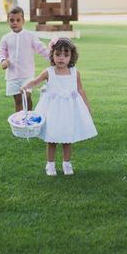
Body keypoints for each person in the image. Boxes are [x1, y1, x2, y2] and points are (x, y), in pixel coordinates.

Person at [21, 38, 97, 176]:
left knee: (68, 139)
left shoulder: (75, 72)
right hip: (53, 111)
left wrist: (87, 107)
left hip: (69, 111)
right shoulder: (49, 72)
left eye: (65, 55)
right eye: (58, 54)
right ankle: (50, 164)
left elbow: (80, 90)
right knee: (52, 139)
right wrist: (26, 86)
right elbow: (36, 81)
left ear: (71, 56)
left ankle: (66, 163)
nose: (61, 58)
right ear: (52, 55)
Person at [0, 6, 49, 112]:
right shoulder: (5, 38)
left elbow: (41, 49)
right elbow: (1, 52)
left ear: (23, 21)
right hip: (12, 75)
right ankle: (19, 122)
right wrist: (3, 61)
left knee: (26, 96)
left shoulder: (30, 36)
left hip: (27, 74)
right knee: (17, 100)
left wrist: (52, 59)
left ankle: (29, 117)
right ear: (8, 21)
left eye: (18, 20)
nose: (15, 23)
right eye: (12, 20)